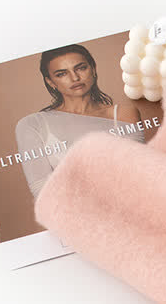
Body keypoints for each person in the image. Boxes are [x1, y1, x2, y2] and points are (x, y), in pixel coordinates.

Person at [15, 44, 145, 199]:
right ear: (51, 82)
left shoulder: (123, 114)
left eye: (81, 68)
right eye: (62, 74)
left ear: (93, 69)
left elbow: (136, 175)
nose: (75, 78)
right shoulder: (33, 125)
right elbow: (43, 192)